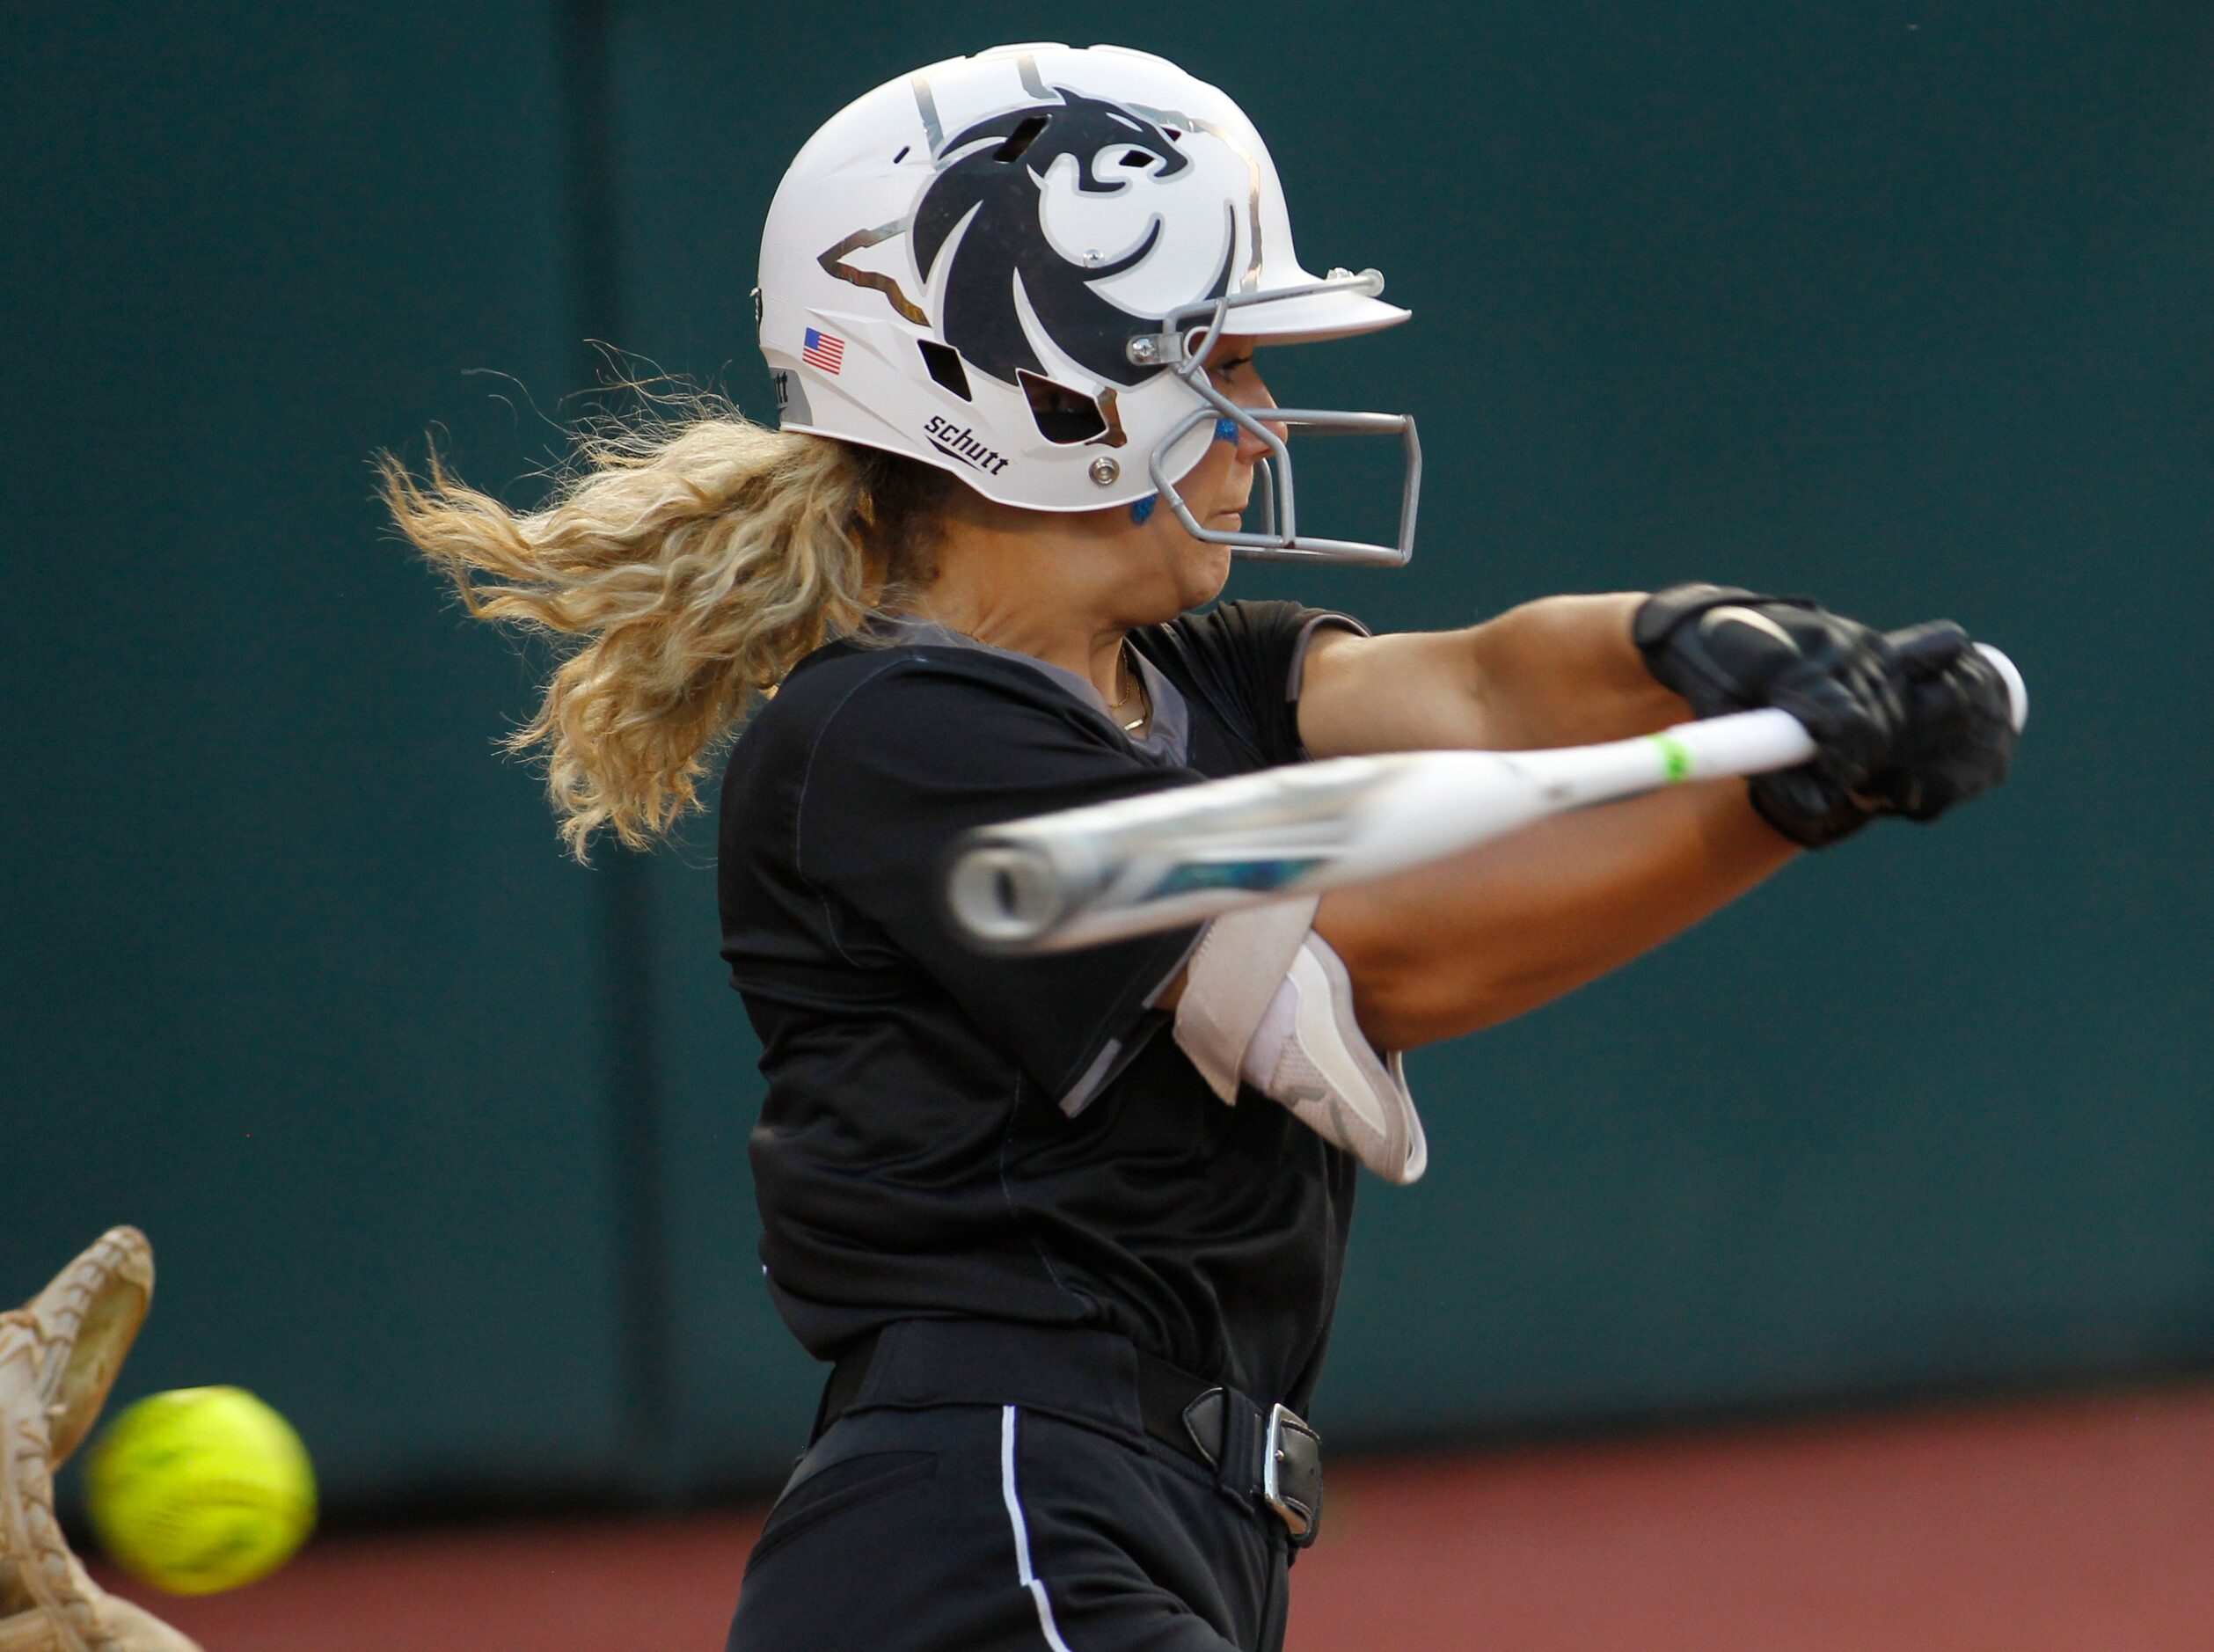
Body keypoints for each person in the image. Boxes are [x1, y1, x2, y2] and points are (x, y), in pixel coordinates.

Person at [382, 43, 2015, 1652]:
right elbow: (1389, 960)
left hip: (1164, 1532)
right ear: (1044, 389)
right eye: (1220, 365)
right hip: (993, 1525)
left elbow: (1477, 677)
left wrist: (1725, 640)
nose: (1258, 419)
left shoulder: (1192, 677)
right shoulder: (897, 739)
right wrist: (1787, 804)